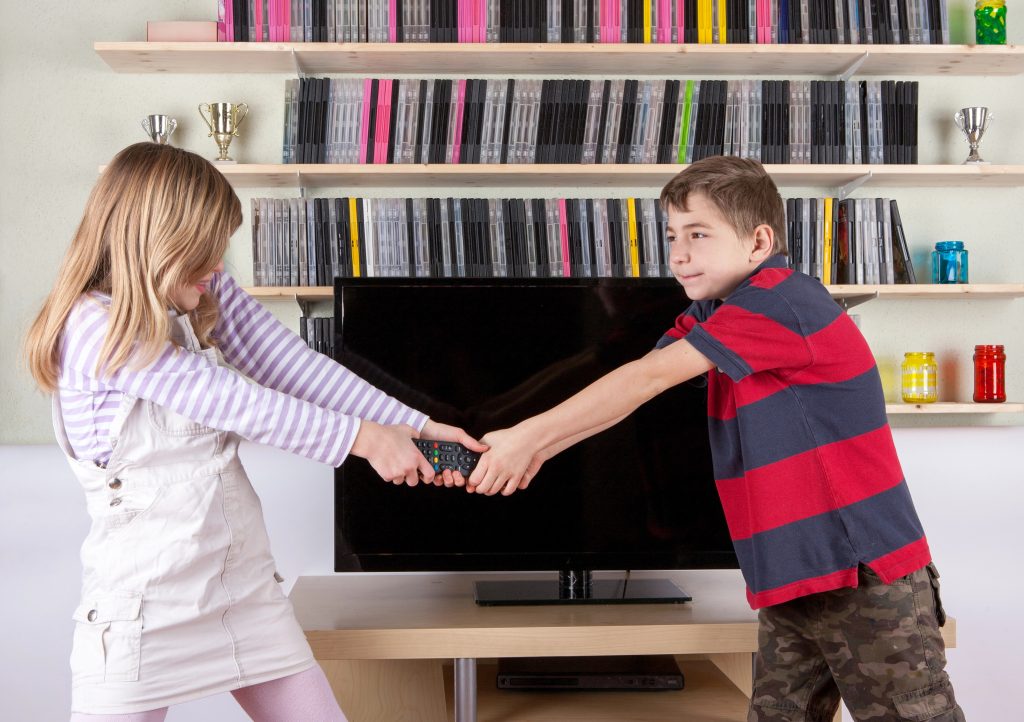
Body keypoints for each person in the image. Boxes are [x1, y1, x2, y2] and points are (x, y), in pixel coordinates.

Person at [467, 156, 964, 722]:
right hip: (791, 573)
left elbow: (646, 378)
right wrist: (522, 441)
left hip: (861, 570)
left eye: (698, 235)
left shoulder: (782, 300)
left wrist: (527, 440)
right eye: (672, 235)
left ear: (758, 242)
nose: (677, 254)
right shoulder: (714, 312)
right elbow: (626, 380)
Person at [24, 142, 484, 722]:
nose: (218, 267)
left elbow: (291, 367)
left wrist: (412, 426)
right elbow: (236, 402)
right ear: (156, 243)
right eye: (203, 252)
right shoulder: (93, 327)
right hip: (143, 609)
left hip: (242, 591)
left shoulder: (198, 292)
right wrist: (366, 441)